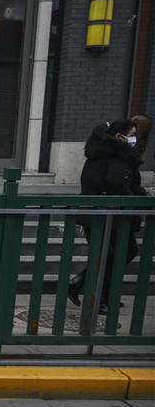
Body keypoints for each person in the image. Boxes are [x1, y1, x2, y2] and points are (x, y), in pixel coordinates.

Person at [68, 118, 146, 313]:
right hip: (106, 214)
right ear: (119, 136)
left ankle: (84, 286)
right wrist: (136, 196)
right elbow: (117, 183)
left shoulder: (103, 152)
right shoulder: (116, 155)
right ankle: (97, 296)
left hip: (102, 213)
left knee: (117, 253)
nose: (134, 139)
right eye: (131, 136)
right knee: (109, 255)